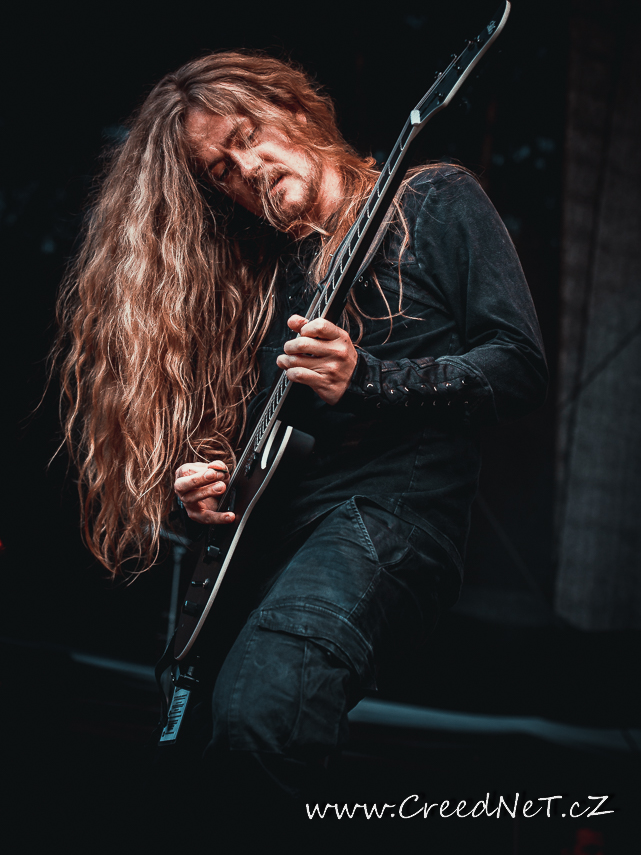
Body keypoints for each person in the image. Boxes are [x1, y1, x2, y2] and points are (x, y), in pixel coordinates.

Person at [55, 51, 547, 808]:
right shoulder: (268, 278)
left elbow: (518, 367)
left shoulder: (432, 199)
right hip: (277, 540)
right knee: (195, 748)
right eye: (221, 170)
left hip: (389, 519)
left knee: (264, 714)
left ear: (292, 108)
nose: (247, 169)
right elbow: (256, 430)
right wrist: (210, 478)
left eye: (247, 136)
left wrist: (368, 378)